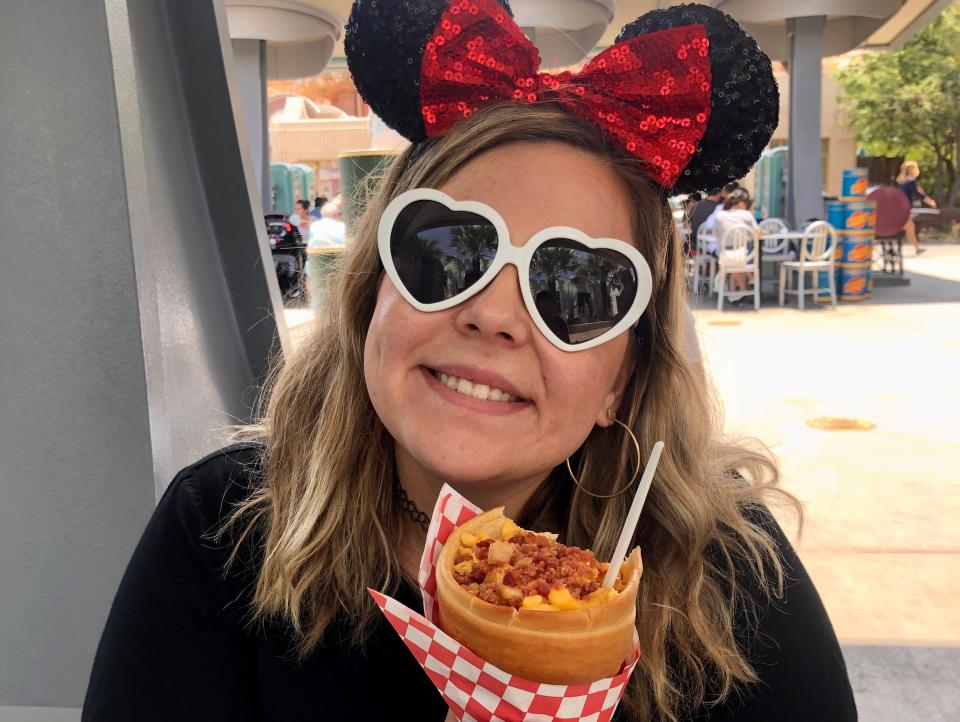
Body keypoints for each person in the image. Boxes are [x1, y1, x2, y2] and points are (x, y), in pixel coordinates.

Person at [81, 4, 856, 722]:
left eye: (574, 285)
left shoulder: (730, 574)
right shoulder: (221, 532)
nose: (492, 314)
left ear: (621, 378)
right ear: (370, 298)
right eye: (449, 250)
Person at [712, 189, 762, 296]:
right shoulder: (746, 214)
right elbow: (757, 234)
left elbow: (716, 235)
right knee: (742, 253)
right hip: (744, 255)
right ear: (741, 203)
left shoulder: (720, 215)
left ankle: (737, 294)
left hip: (725, 255)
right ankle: (749, 282)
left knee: (734, 259)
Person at [896, 160, 937, 255]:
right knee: (909, 228)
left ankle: (917, 248)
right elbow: (921, 194)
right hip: (904, 210)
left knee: (910, 228)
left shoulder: (901, 181)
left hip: (898, 209)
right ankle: (917, 248)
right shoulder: (911, 182)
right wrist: (931, 202)